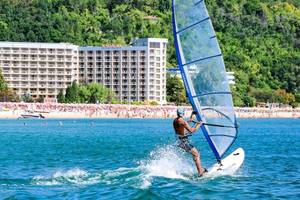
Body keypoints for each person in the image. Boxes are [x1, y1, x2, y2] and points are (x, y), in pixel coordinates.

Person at [173, 108, 207, 176]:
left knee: (195, 153)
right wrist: (199, 124)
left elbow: (183, 125)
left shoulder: (176, 120)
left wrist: (190, 120)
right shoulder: (182, 121)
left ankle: (200, 169)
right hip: (182, 141)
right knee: (196, 154)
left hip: (179, 140)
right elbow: (191, 131)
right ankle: (201, 172)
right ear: (183, 113)